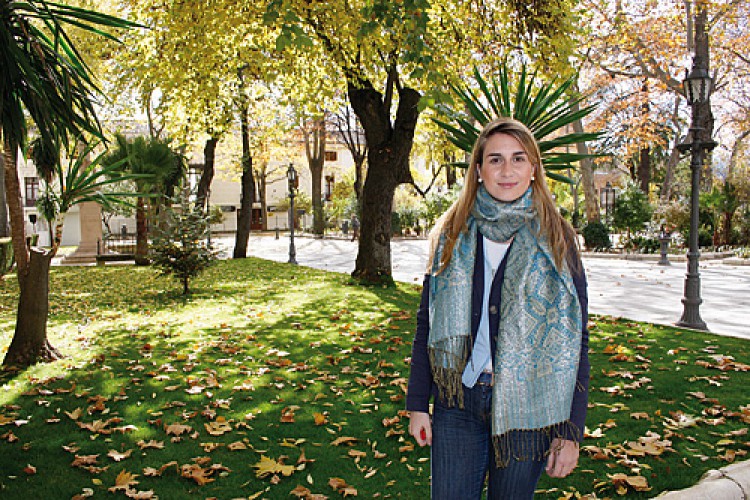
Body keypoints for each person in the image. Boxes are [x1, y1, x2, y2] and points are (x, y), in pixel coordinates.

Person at [406, 117, 589, 499]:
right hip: (459, 402)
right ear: (478, 169)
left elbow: (576, 340)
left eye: (518, 159)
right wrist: (417, 404)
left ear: (534, 168)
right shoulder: (452, 232)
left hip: (530, 407)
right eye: (495, 160)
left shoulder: (558, 238)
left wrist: (570, 431)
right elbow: (427, 321)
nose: (507, 171)